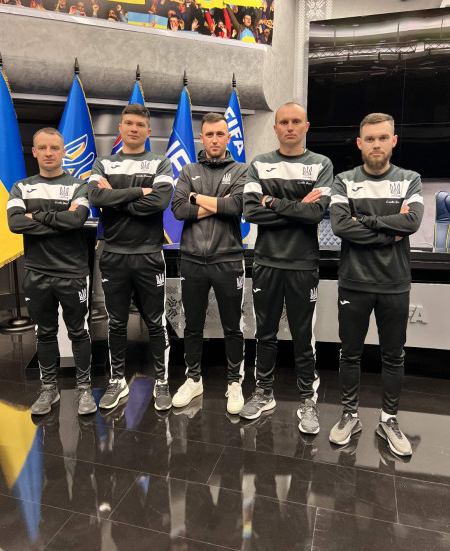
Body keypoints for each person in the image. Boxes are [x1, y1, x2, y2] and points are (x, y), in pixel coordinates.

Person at [329, 112, 424, 457]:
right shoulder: (344, 181)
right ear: (360, 143)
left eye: (383, 138)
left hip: (394, 284)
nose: (376, 144)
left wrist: (365, 220)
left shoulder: (410, 179)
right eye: (369, 139)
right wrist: (388, 232)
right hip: (354, 283)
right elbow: (340, 226)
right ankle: (349, 415)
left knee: (393, 355)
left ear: (393, 141)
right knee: (349, 353)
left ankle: (389, 420)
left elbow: (411, 222)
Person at [241, 102, 333, 432]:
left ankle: (308, 400)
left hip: (302, 264)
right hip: (266, 262)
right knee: (264, 333)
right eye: (284, 122)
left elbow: (316, 213)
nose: (290, 127)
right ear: (276, 127)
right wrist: (296, 207)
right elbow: (251, 212)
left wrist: (271, 201)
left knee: (302, 336)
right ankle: (263, 393)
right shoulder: (260, 164)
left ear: (306, 126)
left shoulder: (321, 164)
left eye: (296, 121)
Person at [88, 104, 174, 411]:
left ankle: (162, 382)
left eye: (139, 125)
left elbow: (160, 202)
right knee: (116, 323)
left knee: (156, 323)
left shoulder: (161, 163)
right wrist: (140, 192)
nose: (134, 128)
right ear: (120, 128)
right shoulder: (104, 163)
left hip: (149, 255)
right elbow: (95, 197)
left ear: (148, 131)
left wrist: (116, 197)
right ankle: (117, 381)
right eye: (128, 123)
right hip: (113, 255)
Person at [7, 128, 96, 416]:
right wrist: (60, 220)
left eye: (54, 148)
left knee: (78, 331)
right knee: (45, 333)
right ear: (34, 152)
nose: (48, 153)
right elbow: (15, 223)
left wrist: (36, 216)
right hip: (37, 272)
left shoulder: (79, 186)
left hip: (72, 271)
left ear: (63, 151)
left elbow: (77, 220)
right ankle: (49, 389)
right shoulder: (21, 187)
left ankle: (84, 388)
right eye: (42, 148)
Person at [171, 113, 248, 414]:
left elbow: (236, 206)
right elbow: (179, 209)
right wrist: (216, 203)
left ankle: (235, 382)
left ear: (228, 137)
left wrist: (196, 198)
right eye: (209, 134)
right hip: (192, 259)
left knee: (233, 326)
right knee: (192, 325)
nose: (215, 139)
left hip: (228, 258)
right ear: (201, 138)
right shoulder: (188, 170)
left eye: (220, 134)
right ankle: (193, 379)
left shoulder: (241, 170)